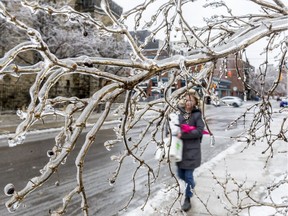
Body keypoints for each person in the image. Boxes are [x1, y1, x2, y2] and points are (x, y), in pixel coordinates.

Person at [176, 92, 205, 212]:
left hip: (192, 151)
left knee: (188, 176)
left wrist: (183, 134)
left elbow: (199, 131)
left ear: (195, 102)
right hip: (180, 151)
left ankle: (187, 199)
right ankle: (192, 184)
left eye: (191, 100)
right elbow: (173, 126)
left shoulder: (197, 115)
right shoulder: (179, 114)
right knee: (180, 175)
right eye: (187, 100)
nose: (188, 102)